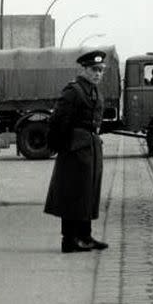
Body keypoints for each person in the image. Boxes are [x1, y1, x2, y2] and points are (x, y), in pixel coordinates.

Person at [44, 50, 110, 253]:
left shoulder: (94, 91)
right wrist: (63, 147)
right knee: (72, 193)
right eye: (94, 70)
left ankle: (85, 236)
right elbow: (58, 121)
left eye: (100, 70)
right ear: (84, 70)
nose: (98, 74)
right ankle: (69, 240)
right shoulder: (73, 91)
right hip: (75, 149)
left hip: (91, 148)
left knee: (88, 192)